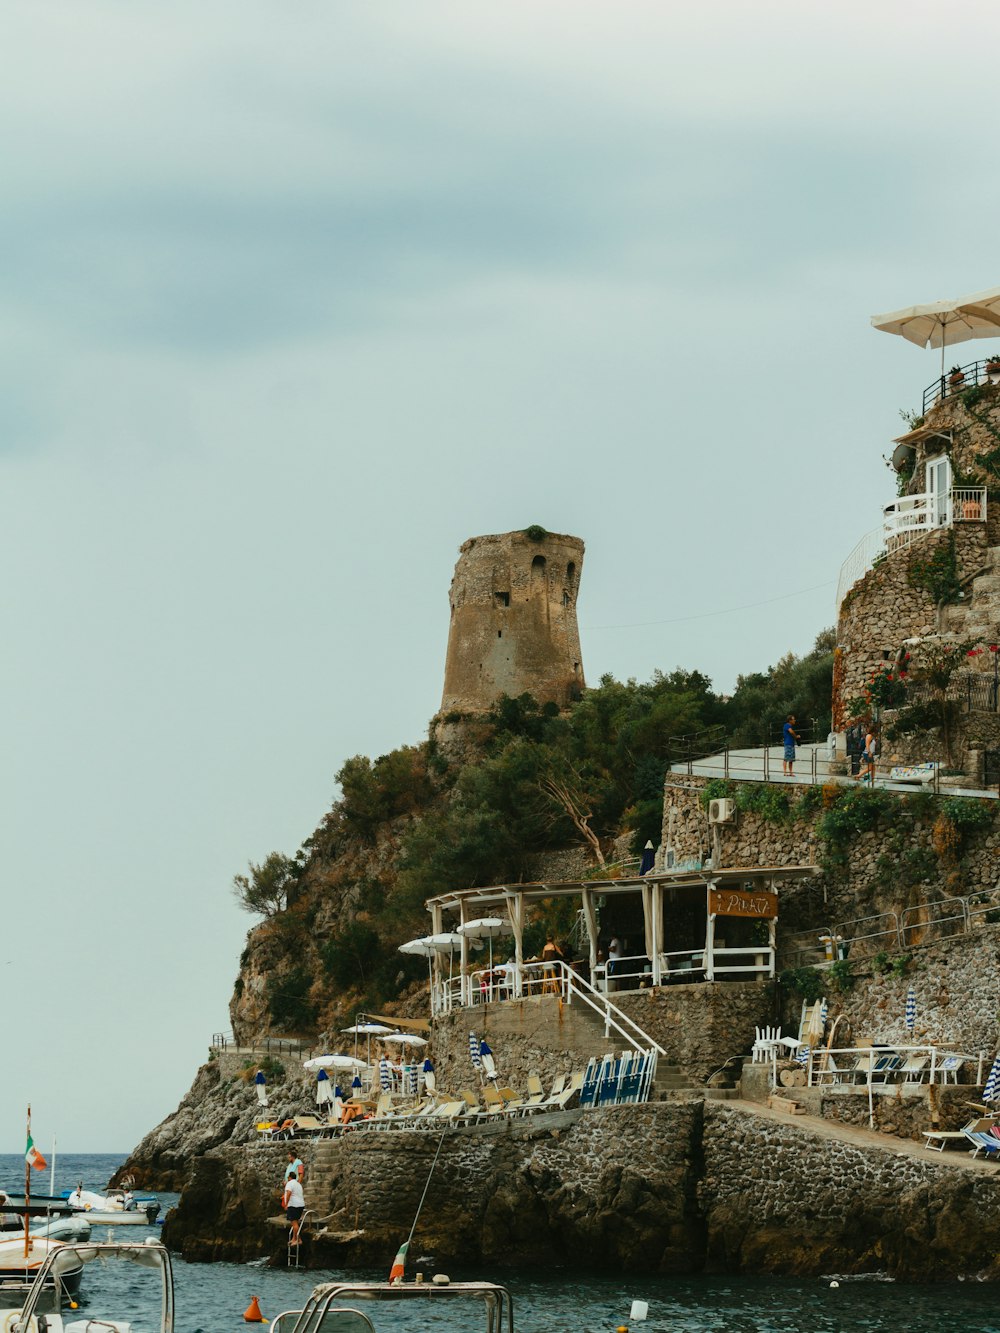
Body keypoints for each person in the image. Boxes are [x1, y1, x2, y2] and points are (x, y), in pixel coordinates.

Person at [282, 1173, 305, 1246]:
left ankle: (299, 1239)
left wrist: (286, 1204)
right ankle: (294, 1238)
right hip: (300, 1205)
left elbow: (288, 1193)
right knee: (295, 1223)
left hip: (293, 1205)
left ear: (289, 1177)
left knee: (294, 1224)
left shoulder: (289, 1183)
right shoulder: (298, 1184)